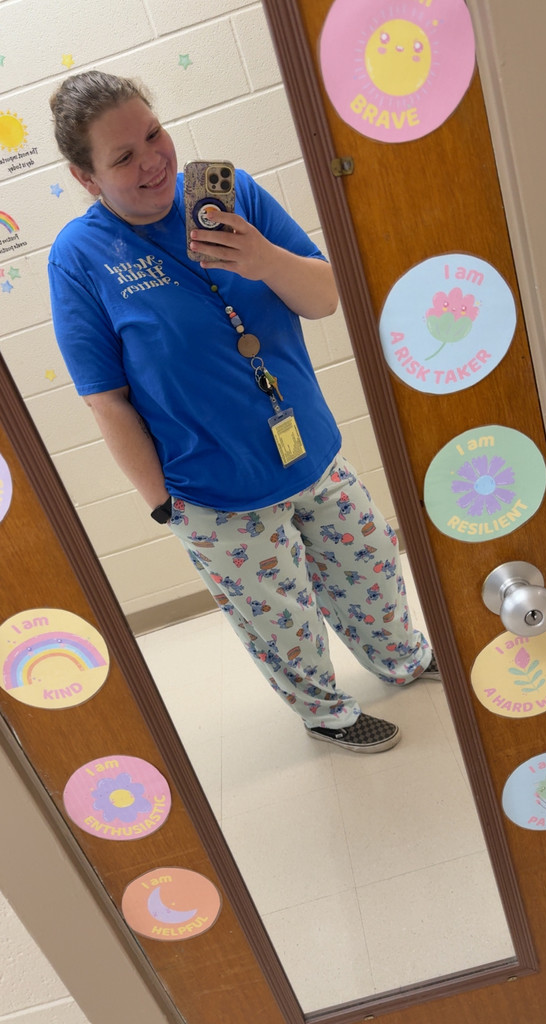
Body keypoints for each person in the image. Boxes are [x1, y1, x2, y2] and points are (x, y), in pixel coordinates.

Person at [48, 70, 440, 754]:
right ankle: (325, 712)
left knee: (371, 559)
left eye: (154, 133)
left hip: (308, 446)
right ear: (87, 178)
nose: (152, 160)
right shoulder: (80, 258)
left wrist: (259, 257)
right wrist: (163, 505)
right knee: (280, 617)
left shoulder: (230, 192)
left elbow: (323, 298)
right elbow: (104, 398)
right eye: (122, 156)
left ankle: (402, 658)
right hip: (213, 488)